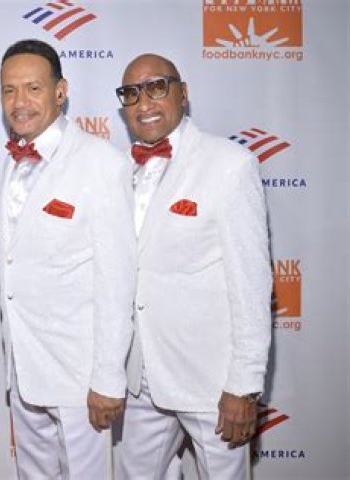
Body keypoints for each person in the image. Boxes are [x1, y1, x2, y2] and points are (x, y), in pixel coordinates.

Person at [112, 53, 272, 479]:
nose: (144, 102)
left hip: (211, 382)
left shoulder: (229, 165)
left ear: (183, 93)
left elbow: (252, 285)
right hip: (142, 376)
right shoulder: (119, 170)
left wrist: (244, 385)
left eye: (157, 87)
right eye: (131, 93)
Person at [0, 39, 136, 479]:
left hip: (81, 377)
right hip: (23, 369)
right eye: (9, 90)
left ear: (61, 92)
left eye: (33, 88)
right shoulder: (11, 162)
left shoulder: (101, 163)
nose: (19, 102)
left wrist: (108, 378)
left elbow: (117, 279)